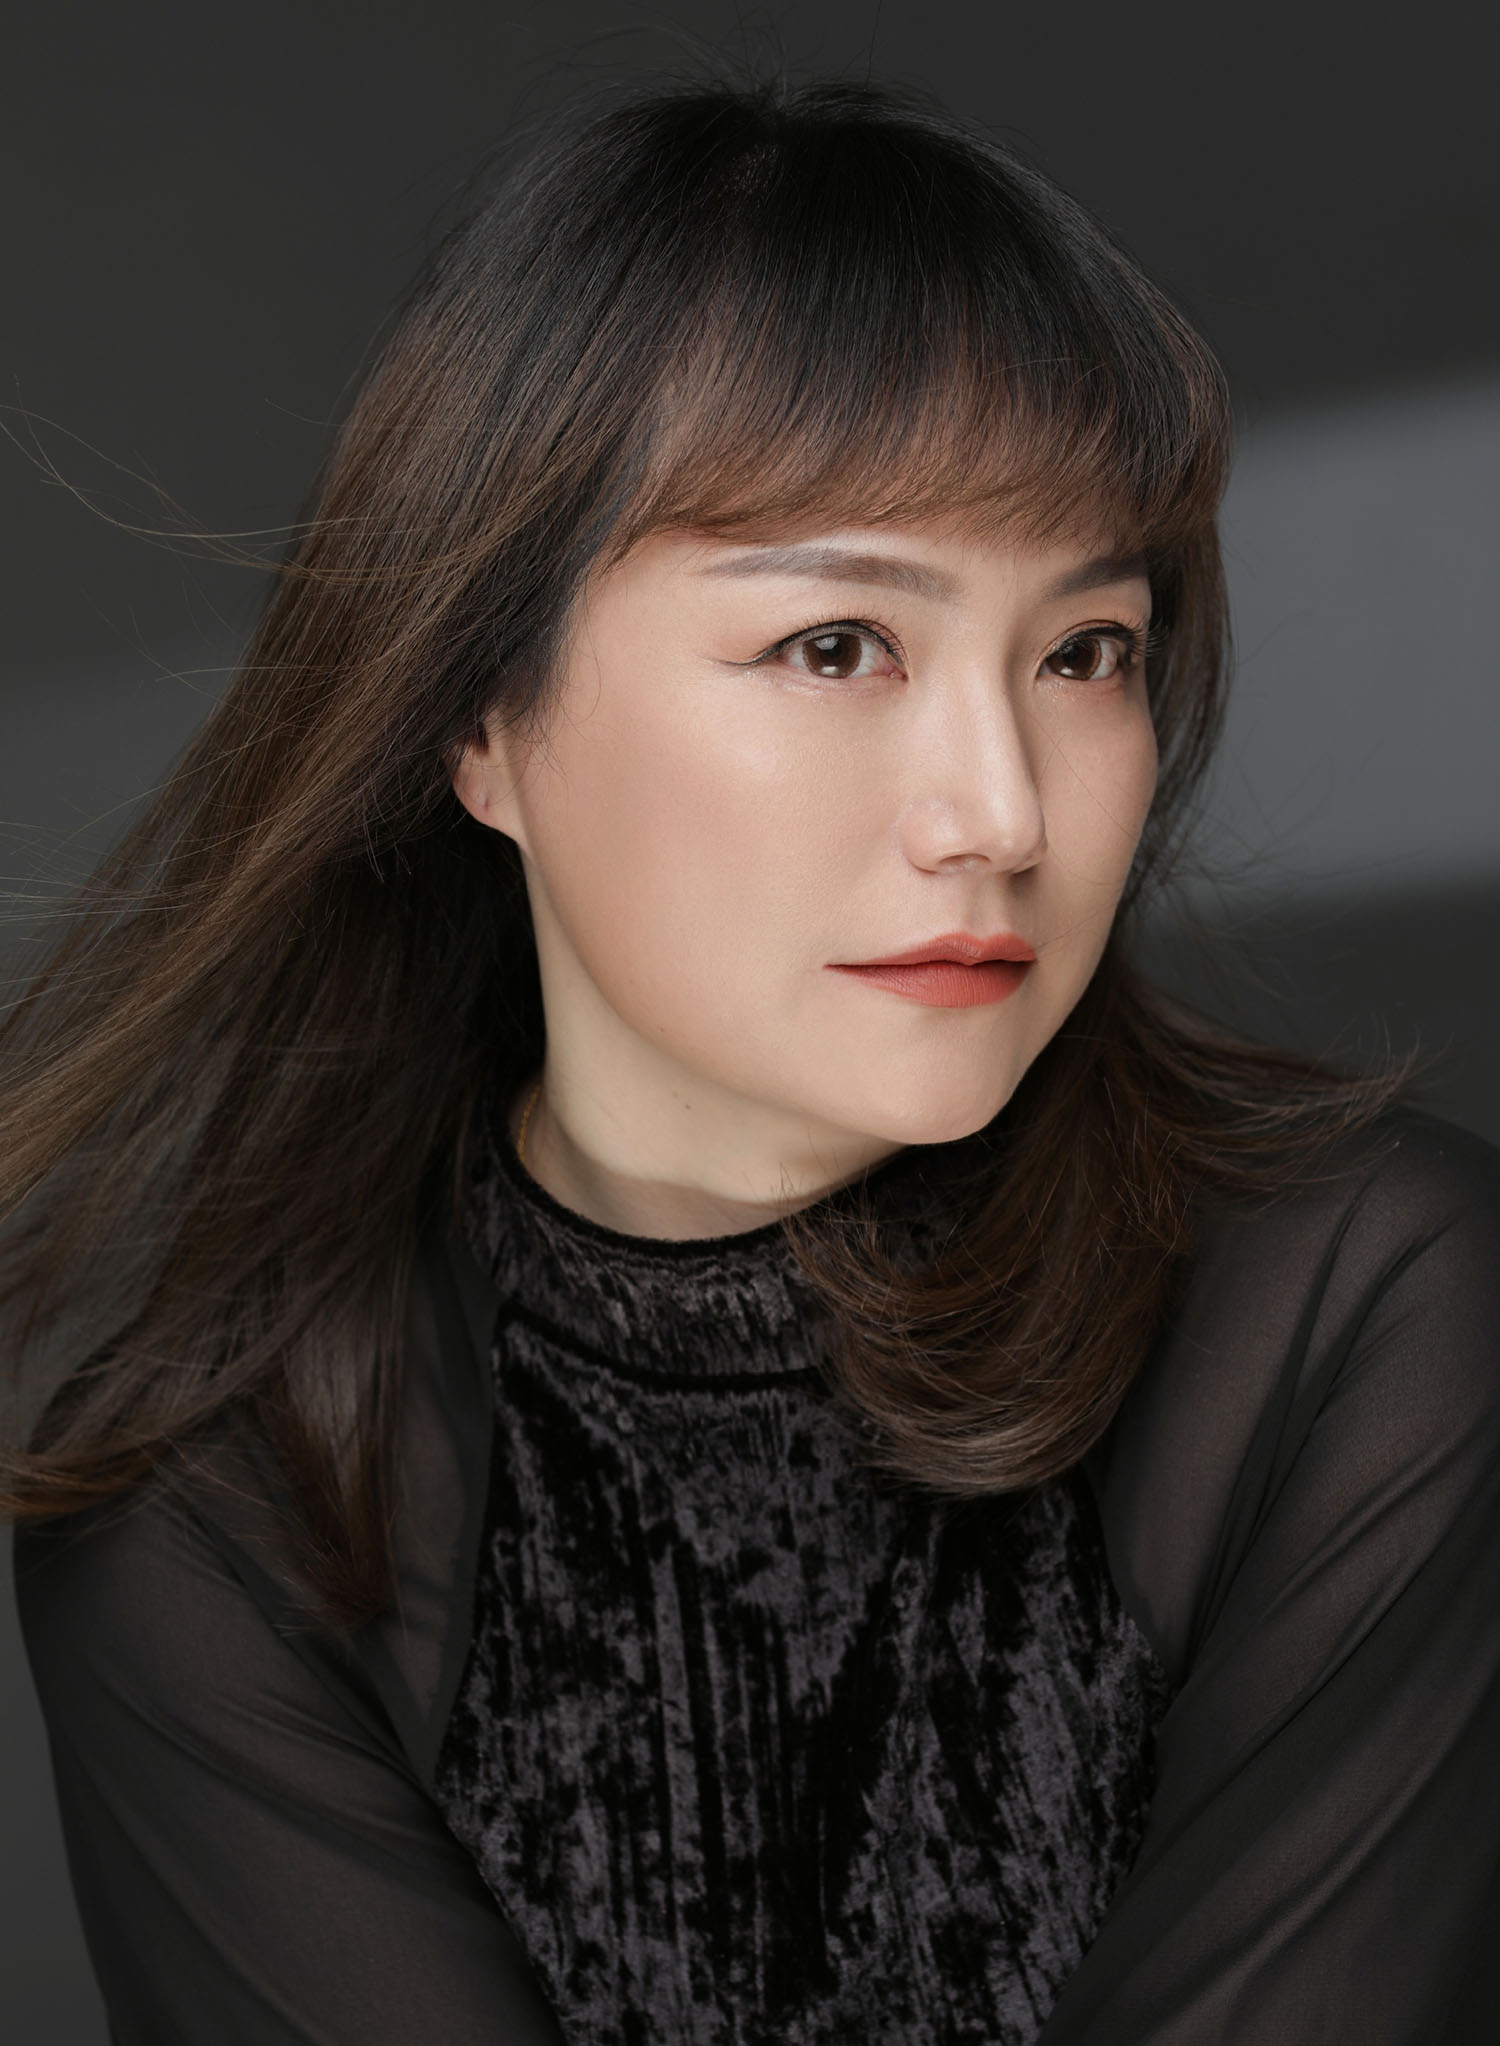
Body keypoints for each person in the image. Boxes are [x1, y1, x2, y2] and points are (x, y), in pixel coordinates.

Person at [4, 70, 1499, 2046]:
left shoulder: (1363, 1314)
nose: (1002, 813)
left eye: (1085, 653)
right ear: (479, 721)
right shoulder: (221, 1498)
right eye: (836, 647)